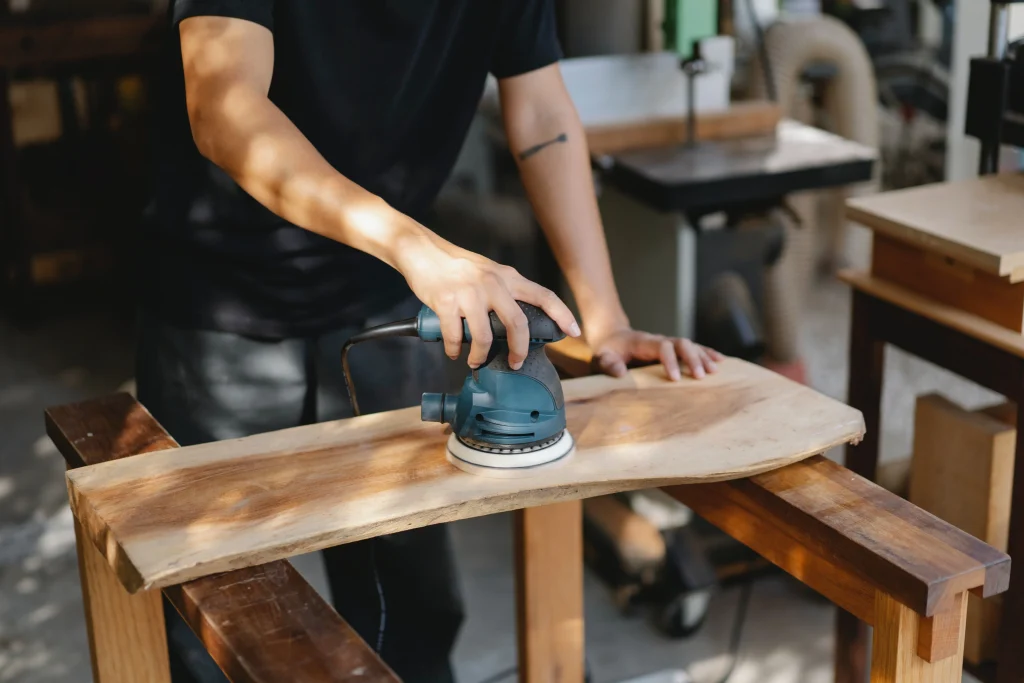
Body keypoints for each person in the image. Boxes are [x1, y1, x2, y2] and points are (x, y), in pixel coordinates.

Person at [137, 2, 723, 682]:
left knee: (411, 610)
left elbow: (540, 114)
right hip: (218, 305)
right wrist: (417, 248)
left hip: (382, 292)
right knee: (211, 614)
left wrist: (606, 318)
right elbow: (224, 107)